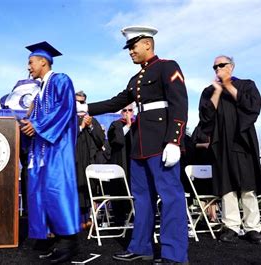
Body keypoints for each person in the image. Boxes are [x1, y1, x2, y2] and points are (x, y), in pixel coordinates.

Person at [77, 26, 188, 264]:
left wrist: (174, 140)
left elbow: (179, 103)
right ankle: (141, 247)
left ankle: (174, 254)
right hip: (140, 145)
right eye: (129, 48)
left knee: (171, 197)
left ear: (148, 44)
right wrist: (85, 108)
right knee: (142, 198)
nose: (130, 52)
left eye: (133, 46)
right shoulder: (136, 78)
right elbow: (117, 101)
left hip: (161, 142)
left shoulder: (167, 66)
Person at [20, 41, 80, 264]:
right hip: (42, 150)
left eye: (31, 62)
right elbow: (35, 120)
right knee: (41, 191)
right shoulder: (38, 93)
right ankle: (52, 237)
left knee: (58, 189)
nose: (28, 67)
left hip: (57, 146)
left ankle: (68, 241)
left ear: (43, 61)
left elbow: (65, 108)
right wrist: (27, 125)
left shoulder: (60, 79)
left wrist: (37, 125)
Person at [197, 55, 261, 245]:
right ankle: (231, 226)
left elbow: (252, 107)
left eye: (222, 65)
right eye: (215, 66)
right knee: (227, 187)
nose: (218, 68)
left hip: (242, 141)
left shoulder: (246, 85)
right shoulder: (209, 91)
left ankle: (253, 227)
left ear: (232, 67)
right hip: (221, 143)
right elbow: (205, 117)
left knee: (247, 186)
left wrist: (229, 86)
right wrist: (218, 91)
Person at [74, 90, 105, 229]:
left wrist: (91, 125)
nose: (79, 104)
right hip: (74, 160)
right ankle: (76, 219)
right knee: (76, 188)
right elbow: (68, 138)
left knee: (88, 188)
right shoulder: (69, 119)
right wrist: (81, 126)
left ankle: (88, 218)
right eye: (77, 101)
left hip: (89, 160)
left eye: (82, 102)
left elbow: (100, 141)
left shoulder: (93, 119)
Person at [105, 104, 134, 225]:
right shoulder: (115, 125)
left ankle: (134, 216)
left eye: (130, 110)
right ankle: (119, 219)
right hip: (119, 161)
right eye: (124, 110)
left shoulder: (139, 124)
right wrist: (127, 126)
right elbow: (116, 141)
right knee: (119, 188)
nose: (127, 113)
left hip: (134, 163)